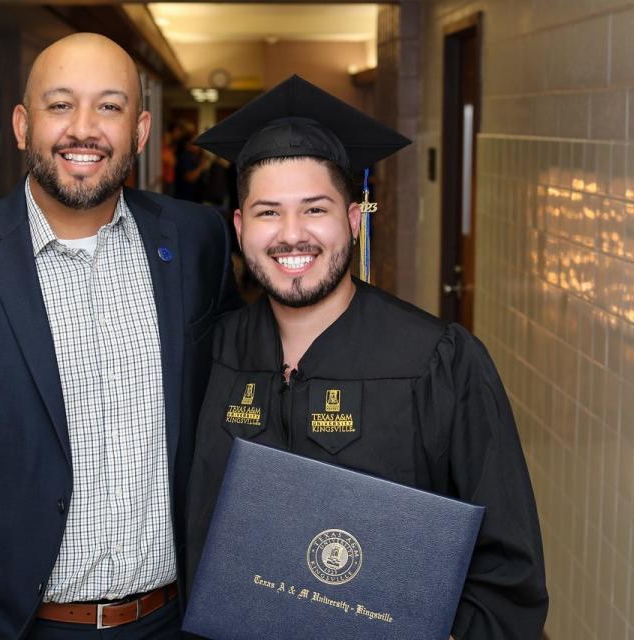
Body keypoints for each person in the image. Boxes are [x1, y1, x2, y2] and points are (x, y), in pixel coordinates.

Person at [0, 33, 239, 640]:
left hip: (176, 617)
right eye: (60, 105)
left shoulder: (198, 240)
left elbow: (232, 398)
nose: (83, 129)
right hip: (13, 625)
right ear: (21, 124)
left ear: (141, 130)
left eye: (109, 106)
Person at [184, 75, 548, 639]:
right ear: (239, 228)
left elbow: (508, 575)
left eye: (315, 209)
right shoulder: (213, 353)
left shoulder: (437, 362)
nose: (291, 235)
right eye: (267, 213)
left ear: (353, 220)